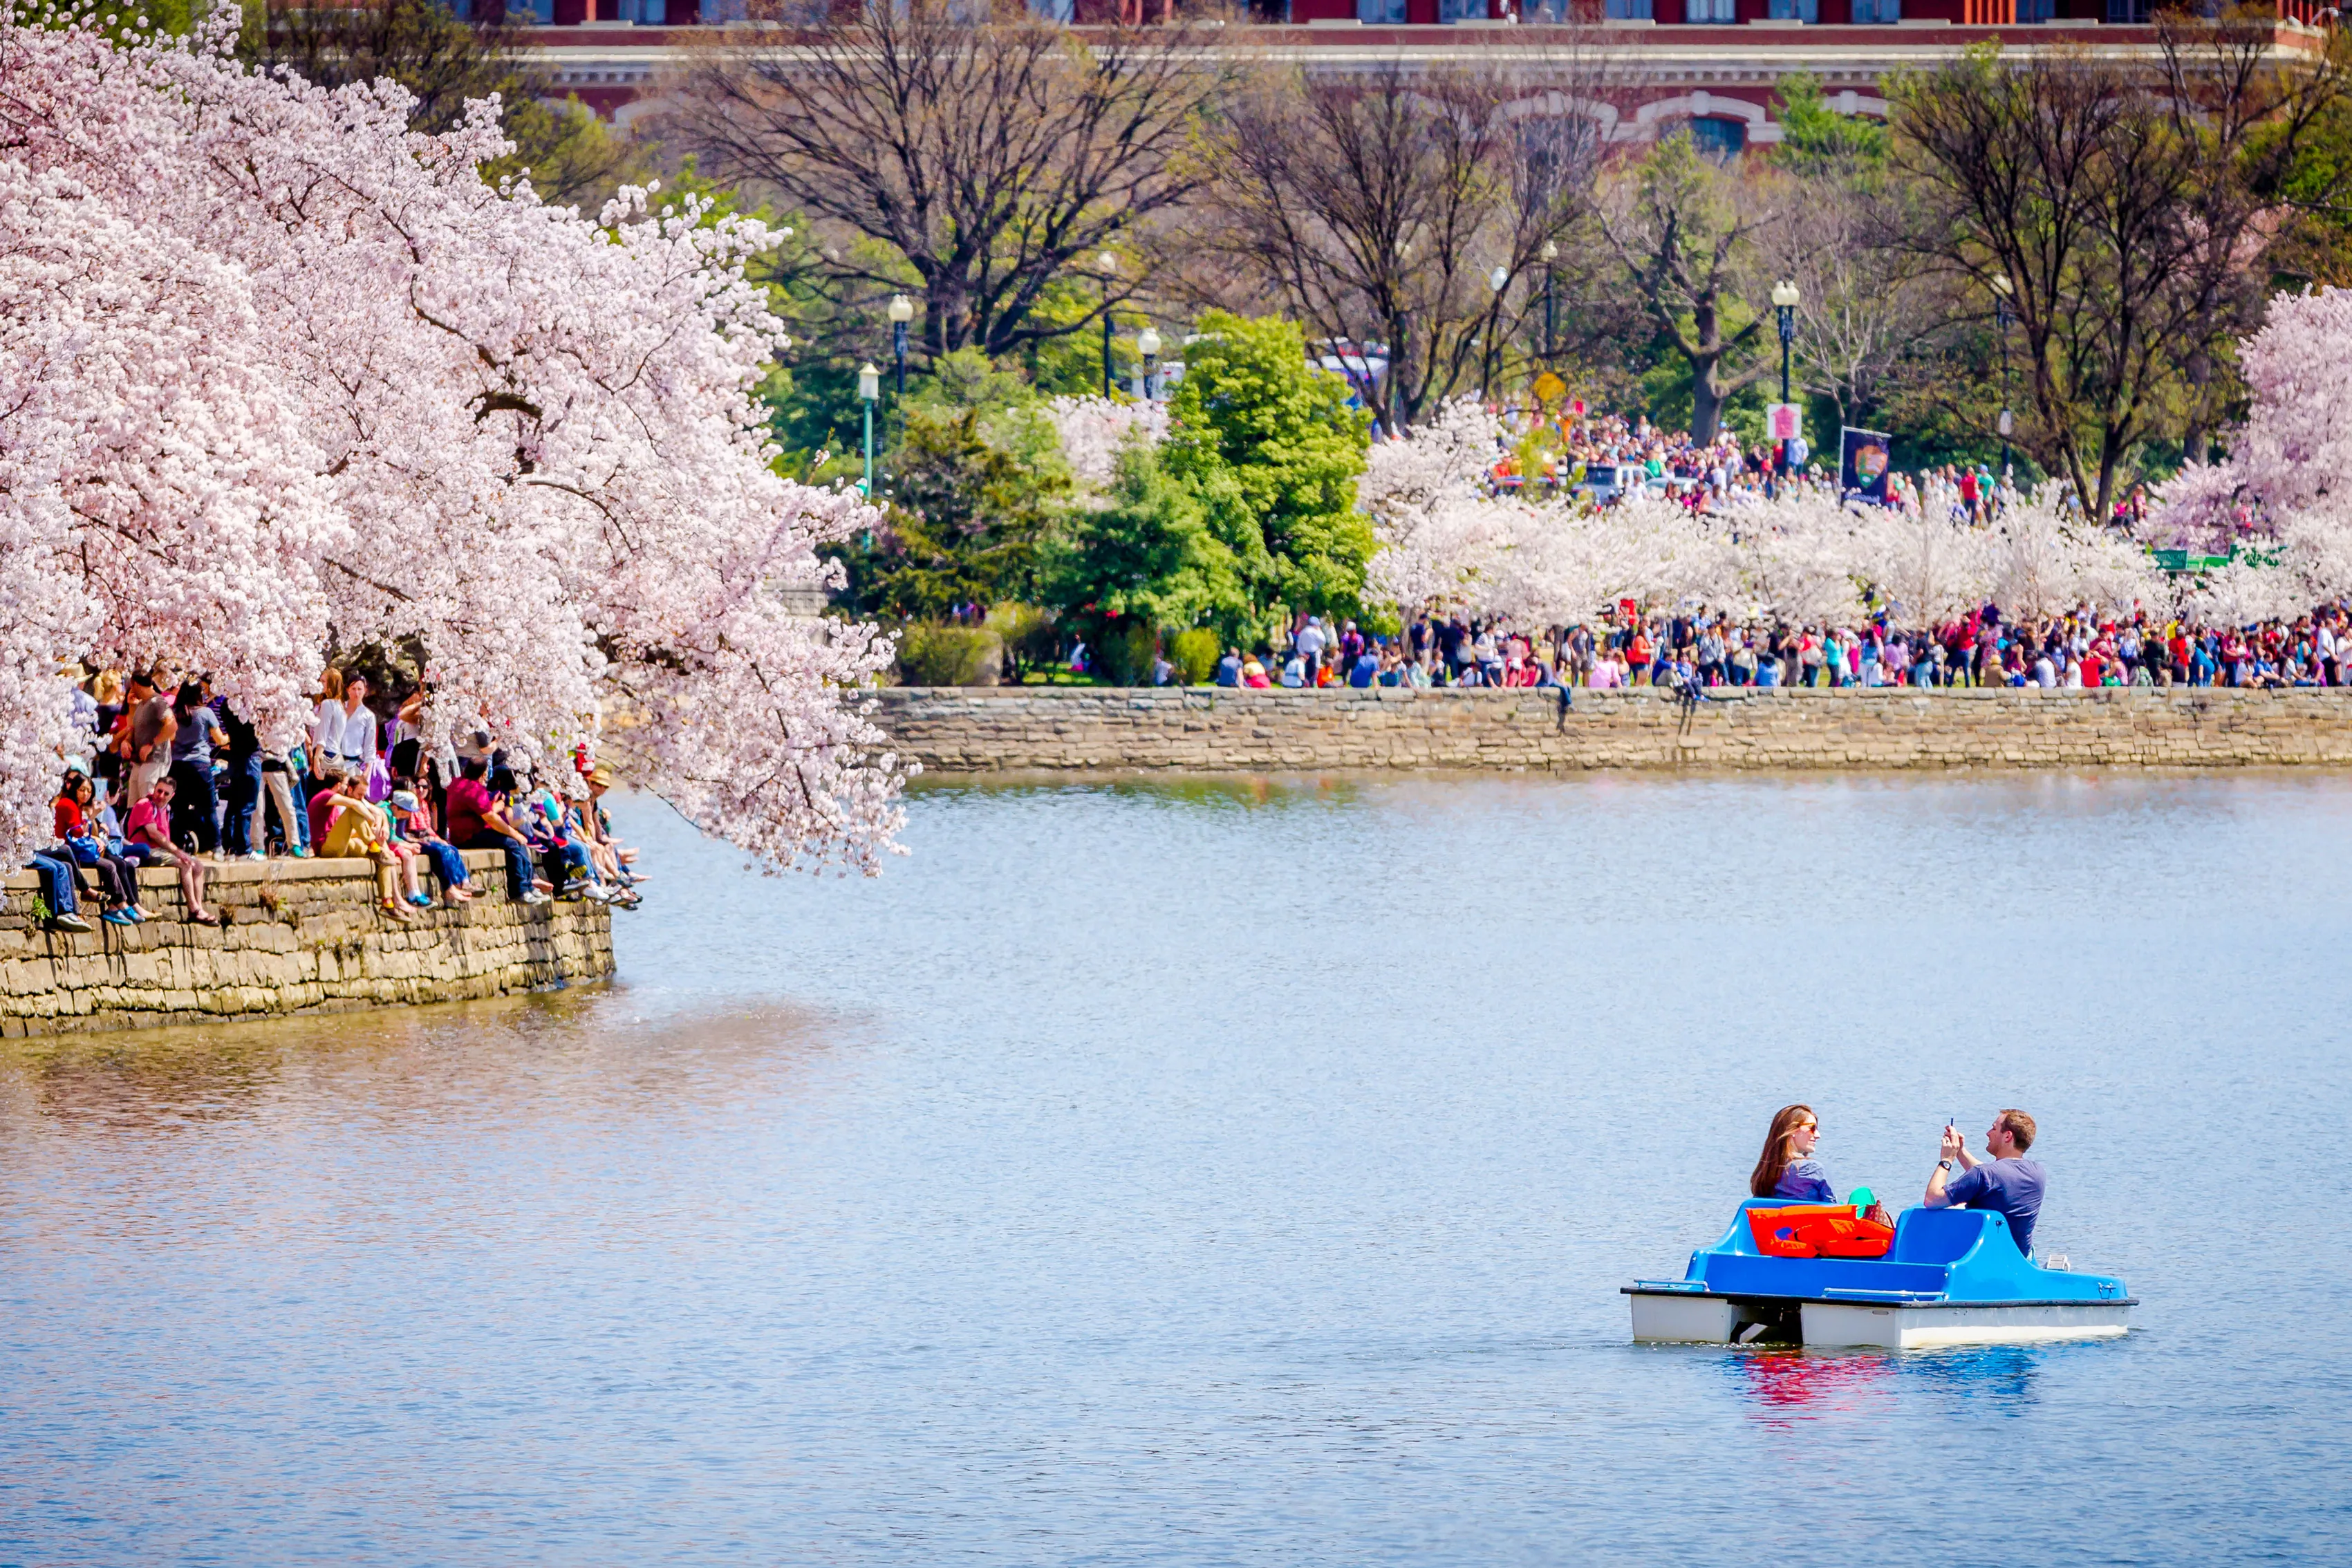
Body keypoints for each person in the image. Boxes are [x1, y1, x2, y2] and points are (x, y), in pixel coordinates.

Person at [1925, 1108, 2047, 1256]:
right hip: (2019, 1259)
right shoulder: (2037, 1173)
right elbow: (1993, 1177)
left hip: (1982, 1259)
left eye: (1994, 1128)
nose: (1988, 1133)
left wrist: (1947, 1159)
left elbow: (1932, 1199)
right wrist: (1960, 1152)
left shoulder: (1984, 1175)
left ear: (2008, 1136)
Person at [124, 776, 221, 924]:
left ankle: (198, 908)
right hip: (145, 850)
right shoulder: (145, 805)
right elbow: (154, 834)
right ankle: (194, 909)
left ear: (172, 796)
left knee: (198, 865)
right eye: (159, 791)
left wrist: (177, 851)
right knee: (185, 863)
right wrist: (177, 852)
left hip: (159, 850)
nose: (161, 796)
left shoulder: (166, 809)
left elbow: (165, 837)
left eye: (166, 794)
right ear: (154, 789)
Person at [1749, 1103, 1836, 1202]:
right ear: (1793, 1130)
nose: (1818, 1135)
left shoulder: (1764, 1172)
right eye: (1812, 1128)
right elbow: (1833, 1208)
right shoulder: (1814, 1169)